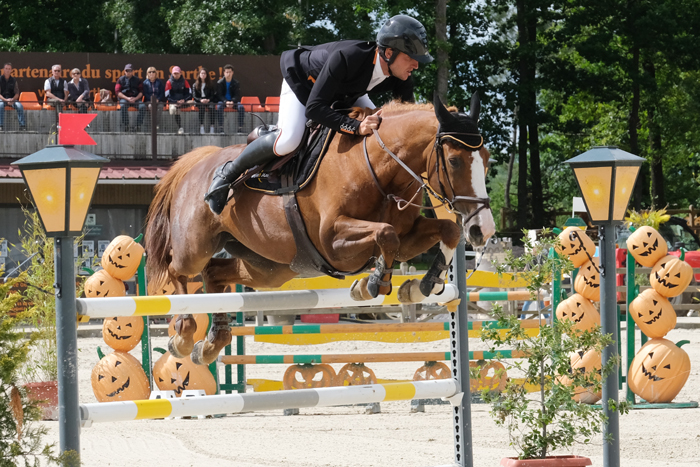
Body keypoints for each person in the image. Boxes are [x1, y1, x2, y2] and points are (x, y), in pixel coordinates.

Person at [204, 15, 432, 215]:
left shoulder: (402, 75)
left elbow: (406, 129)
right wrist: (354, 126)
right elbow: (314, 107)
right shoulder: (347, 57)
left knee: (380, 126)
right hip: (303, 82)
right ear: (389, 53)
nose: (416, 65)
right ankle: (227, 174)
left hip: (347, 91)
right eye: (410, 58)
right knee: (289, 140)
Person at [215, 64, 244, 134]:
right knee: (219, 107)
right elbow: (219, 95)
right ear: (224, 73)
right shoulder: (219, 83)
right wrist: (226, 102)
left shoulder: (236, 83)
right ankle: (221, 128)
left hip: (233, 102)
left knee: (241, 107)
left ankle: (240, 128)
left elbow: (237, 95)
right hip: (223, 101)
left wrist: (232, 101)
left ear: (232, 73)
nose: (228, 74)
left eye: (230, 72)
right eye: (227, 72)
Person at [115, 64, 143, 132]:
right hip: (124, 99)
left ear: (132, 71)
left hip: (135, 99)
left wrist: (135, 98)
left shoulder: (137, 80)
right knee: (123, 106)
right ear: (124, 71)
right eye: (127, 70)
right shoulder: (120, 80)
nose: (128, 72)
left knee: (143, 106)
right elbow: (117, 92)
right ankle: (126, 125)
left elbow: (141, 92)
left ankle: (138, 126)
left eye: (130, 70)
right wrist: (127, 98)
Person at [165, 66, 192, 135]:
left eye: (177, 73)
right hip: (173, 102)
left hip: (184, 102)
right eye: (174, 73)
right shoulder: (169, 82)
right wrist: (175, 102)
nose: (176, 75)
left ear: (180, 73)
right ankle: (180, 127)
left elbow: (190, 93)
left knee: (193, 102)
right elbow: (167, 95)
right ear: (172, 74)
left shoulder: (185, 81)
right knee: (175, 109)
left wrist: (184, 100)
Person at [0, 62, 26, 131]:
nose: (7, 70)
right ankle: (0, 126)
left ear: (11, 70)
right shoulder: (0, 79)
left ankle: (22, 126)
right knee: (0, 105)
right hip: (2, 99)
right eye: (6, 68)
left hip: (12, 100)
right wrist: (6, 100)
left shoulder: (14, 80)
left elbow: (17, 93)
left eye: (9, 69)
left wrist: (12, 99)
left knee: (20, 106)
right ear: (3, 69)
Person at [138, 66, 166, 131]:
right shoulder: (145, 83)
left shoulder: (159, 82)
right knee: (151, 106)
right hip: (149, 100)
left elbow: (162, 92)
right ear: (147, 74)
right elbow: (145, 93)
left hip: (158, 100)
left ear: (156, 73)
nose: (151, 73)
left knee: (160, 106)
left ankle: (156, 124)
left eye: (153, 72)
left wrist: (158, 99)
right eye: (150, 72)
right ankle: (153, 124)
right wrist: (151, 100)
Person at [192, 68, 216, 134]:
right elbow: (194, 96)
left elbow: (213, 95)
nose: (203, 75)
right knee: (202, 108)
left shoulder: (210, 85)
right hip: (199, 101)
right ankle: (201, 126)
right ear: (199, 74)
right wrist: (200, 100)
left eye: (204, 73)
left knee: (212, 108)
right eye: (202, 73)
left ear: (207, 75)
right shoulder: (195, 85)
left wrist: (208, 99)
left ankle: (212, 127)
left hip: (208, 100)